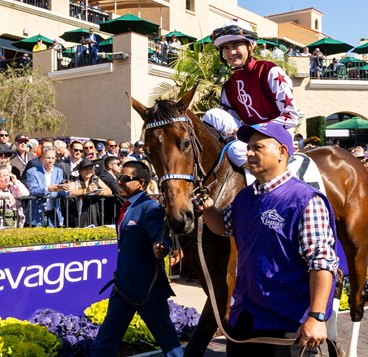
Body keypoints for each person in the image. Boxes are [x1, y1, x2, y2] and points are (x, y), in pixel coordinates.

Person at [197, 122, 338, 356]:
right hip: (245, 319)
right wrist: (209, 210)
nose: (249, 153)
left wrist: (316, 316)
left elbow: (321, 263)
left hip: (288, 325)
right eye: (248, 147)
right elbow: (223, 227)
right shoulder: (245, 198)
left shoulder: (305, 200)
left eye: (258, 147)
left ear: (282, 152)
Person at [91, 161, 183, 357]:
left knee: (169, 343)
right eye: (119, 178)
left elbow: (159, 234)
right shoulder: (126, 206)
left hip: (147, 290)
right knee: (105, 341)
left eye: (125, 179)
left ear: (140, 183)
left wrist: (161, 246)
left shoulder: (150, 208)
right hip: (123, 288)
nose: (120, 182)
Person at [203, 19, 299, 167]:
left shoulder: (270, 71)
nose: (231, 52)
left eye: (236, 45)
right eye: (226, 48)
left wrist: (253, 129)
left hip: (278, 136)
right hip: (249, 139)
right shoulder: (228, 87)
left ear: (251, 45)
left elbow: (291, 117)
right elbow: (229, 124)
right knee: (212, 115)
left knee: (235, 150)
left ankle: (264, 185)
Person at [26, 147, 68, 227]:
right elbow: (33, 190)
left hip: (53, 213)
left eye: (53, 158)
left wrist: (65, 189)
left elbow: (61, 192)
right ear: (41, 159)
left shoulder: (58, 171)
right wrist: (48, 189)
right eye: (48, 158)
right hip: (37, 214)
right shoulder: (32, 172)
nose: (51, 161)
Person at [67, 159, 112, 227]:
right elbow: (70, 192)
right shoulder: (75, 180)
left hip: (94, 208)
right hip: (80, 209)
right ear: (80, 171)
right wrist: (85, 191)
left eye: (90, 169)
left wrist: (99, 192)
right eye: (85, 169)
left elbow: (109, 191)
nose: (88, 171)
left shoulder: (95, 178)